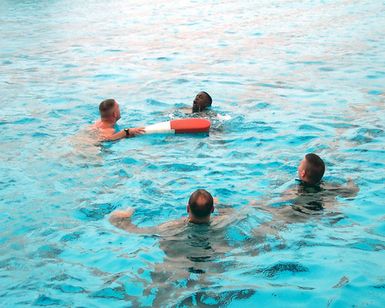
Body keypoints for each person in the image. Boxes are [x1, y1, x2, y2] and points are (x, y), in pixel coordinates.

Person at [109, 189, 217, 233]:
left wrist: (117, 218)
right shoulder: (224, 221)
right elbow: (230, 211)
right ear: (212, 209)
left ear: (187, 208)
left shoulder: (171, 227)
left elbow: (137, 231)